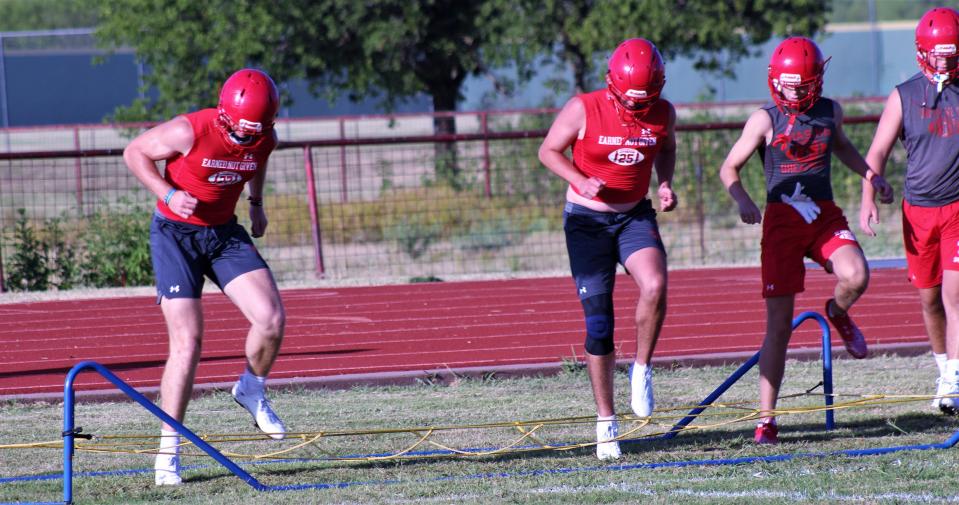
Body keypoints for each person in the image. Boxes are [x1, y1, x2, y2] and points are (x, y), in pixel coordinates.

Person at [719, 36, 894, 444]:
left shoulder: (831, 111)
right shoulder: (764, 119)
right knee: (778, 325)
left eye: (801, 84)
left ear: (816, 79)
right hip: (783, 218)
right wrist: (742, 198)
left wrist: (872, 175)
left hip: (821, 212)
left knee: (856, 274)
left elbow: (845, 148)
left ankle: (837, 311)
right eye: (787, 83)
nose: (793, 91)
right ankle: (767, 419)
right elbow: (730, 167)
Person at [123, 68, 288, 485]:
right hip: (175, 234)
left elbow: (259, 158)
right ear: (225, 115)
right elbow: (134, 153)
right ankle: (168, 451)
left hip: (222, 233)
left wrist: (256, 202)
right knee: (188, 342)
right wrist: (168, 192)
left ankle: (251, 388)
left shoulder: (263, 137)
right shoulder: (189, 129)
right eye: (242, 132)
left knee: (270, 319)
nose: (247, 140)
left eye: (257, 132)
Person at [538, 38, 677, 460]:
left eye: (645, 101)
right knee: (599, 325)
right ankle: (606, 423)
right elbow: (548, 151)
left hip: (633, 216)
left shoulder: (664, 112)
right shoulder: (584, 106)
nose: (638, 109)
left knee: (655, 284)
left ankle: (642, 368)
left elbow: (666, 148)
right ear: (613, 83)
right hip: (587, 223)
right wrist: (580, 180)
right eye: (631, 101)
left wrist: (665, 182)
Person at [860, 6, 959, 415]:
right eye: (937, 54)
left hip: (956, 206)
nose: (943, 62)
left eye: (950, 55)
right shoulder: (904, 94)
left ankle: (954, 380)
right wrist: (868, 194)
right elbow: (878, 150)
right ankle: (945, 371)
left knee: (956, 294)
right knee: (930, 299)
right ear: (922, 52)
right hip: (917, 209)